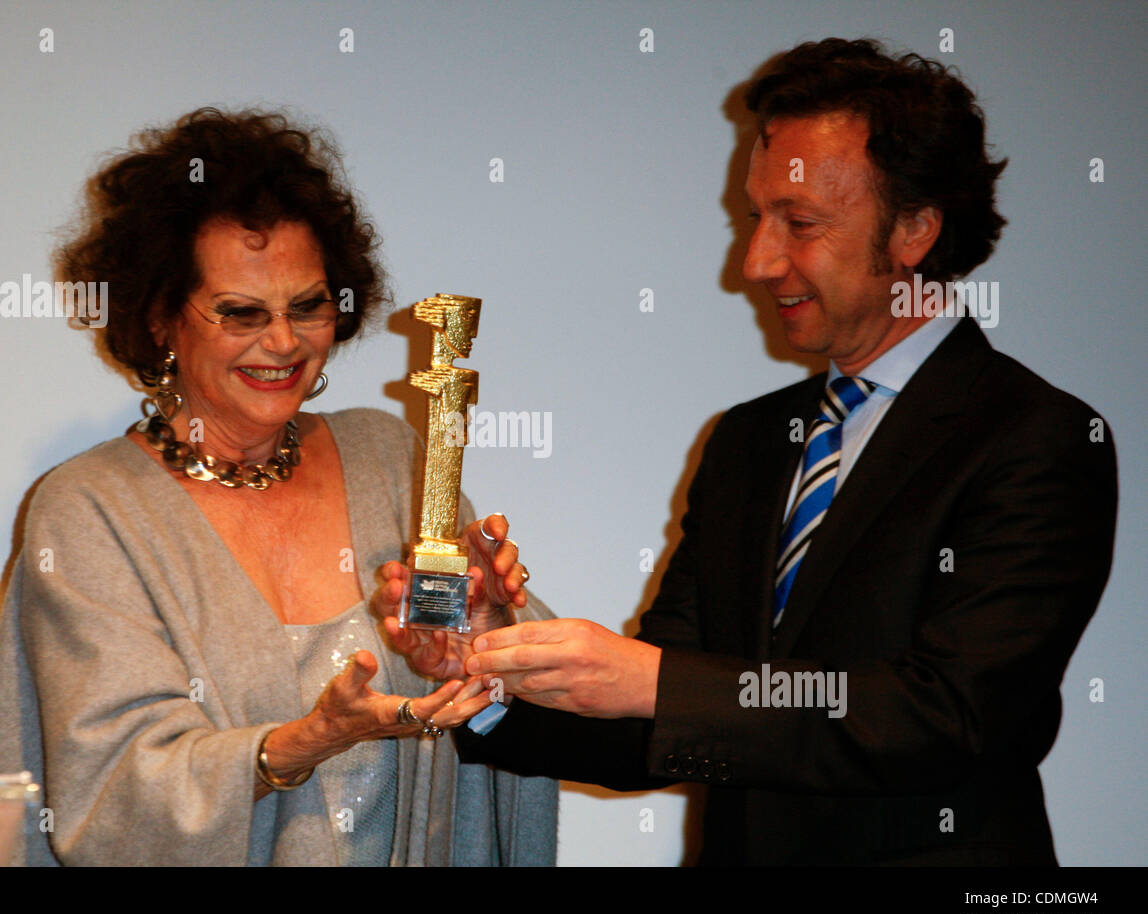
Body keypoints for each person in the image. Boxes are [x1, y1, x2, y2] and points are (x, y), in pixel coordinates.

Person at [386, 39, 1119, 865]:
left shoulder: (1036, 437)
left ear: (915, 229)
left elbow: (951, 715)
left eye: (799, 224)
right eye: (754, 219)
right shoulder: (748, 440)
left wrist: (657, 682)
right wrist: (490, 671)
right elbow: (658, 727)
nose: (756, 262)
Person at [0, 107, 557, 866]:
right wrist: (310, 739)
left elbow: (538, 712)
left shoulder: (390, 458)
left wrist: (485, 629)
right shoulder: (92, 510)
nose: (284, 343)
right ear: (159, 318)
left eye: (308, 306)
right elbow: (108, 794)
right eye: (241, 313)